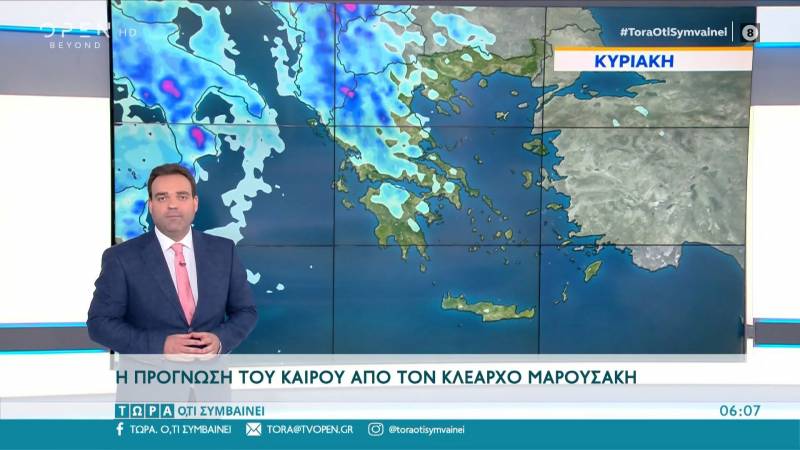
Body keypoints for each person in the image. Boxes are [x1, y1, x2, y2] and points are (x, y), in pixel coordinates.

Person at [87, 163, 257, 354]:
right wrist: (161, 346)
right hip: (147, 373)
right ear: (151, 206)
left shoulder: (224, 251)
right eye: (162, 197)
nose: (172, 205)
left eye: (182, 196)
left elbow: (245, 311)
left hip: (211, 373)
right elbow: (99, 324)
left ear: (195, 203)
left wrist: (220, 340)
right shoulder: (120, 258)